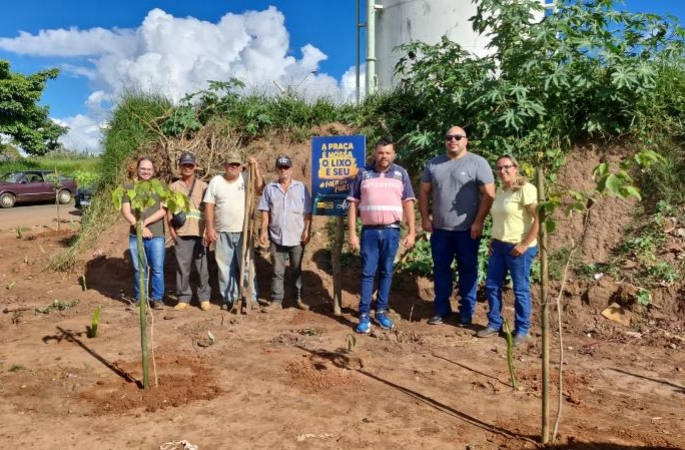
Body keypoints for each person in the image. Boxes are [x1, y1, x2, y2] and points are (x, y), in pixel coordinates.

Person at [419, 126, 495, 326]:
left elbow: (489, 194)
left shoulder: (478, 163)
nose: (453, 140)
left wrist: (478, 221)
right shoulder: (434, 164)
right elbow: (424, 191)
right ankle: (441, 310)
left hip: (467, 230)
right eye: (449, 137)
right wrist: (425, 218)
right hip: (440, 230)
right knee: (441, 269)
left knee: (468, 270)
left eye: (457, 137)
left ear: (466, 140)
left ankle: (466, 312)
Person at [348, 138, 416, 334]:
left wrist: (412, 232)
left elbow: (409, 203)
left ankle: (380, 312)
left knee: (386, 271)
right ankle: (363, 315)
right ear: (375, 154)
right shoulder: (363, 173)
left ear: (393, 155)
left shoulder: (400, 173)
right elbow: (353, 204)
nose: (383, 156)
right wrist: (352, 233)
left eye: (387, 153)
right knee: (368, 272)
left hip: (392, 231)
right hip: (369, 231)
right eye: (380, 152)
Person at [476, 155, 539, 346]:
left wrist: (525, 243)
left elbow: (539, 219)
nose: (502, 171)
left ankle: (521, 329)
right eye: (499, 168)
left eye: (506, 167)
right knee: (492, 286)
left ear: (516, 169)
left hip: (518, 248)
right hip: (499, 246)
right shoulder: (502, 191)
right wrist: (493, 239)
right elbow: (501, 219)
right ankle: (494, 323)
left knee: (520, 290)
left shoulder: (525, 190)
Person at [204, 153, 263, 310]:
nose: (234, 167)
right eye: (231, 165)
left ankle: (251, 297)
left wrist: (255, 167)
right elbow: (209, 205)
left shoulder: (246, 178)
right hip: (223, 232)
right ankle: (230, 298)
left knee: (247, 266)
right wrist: (210, 228)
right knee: (224, 268)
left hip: (244, 231)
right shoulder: (216, 181)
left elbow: (259, 189)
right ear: (225, 166)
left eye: (237, 165)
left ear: (241, 166)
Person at [258, 155, 312, 311]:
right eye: (280, 168)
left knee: (296, 270)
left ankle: (298, 298)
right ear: (276, 169)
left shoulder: (301, 188)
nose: (283, 170)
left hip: (296, 236)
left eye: (286, 167)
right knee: (277, 271)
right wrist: (263, 231)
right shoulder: (270, 188)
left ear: (291, 169)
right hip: (277, 237)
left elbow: (307, 212)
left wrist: (307, 230)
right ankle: (276, 301)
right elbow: (265, 212)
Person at [120, 157, 167, 310]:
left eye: (149, 169)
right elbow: (126, 211)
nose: (146, 172)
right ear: (138, 170)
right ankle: (141, 298)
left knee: (157, 268)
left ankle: (157, 298)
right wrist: (139, 227)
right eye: (143, 169)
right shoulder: (129, 187)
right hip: (136, 236)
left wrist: (144, 224)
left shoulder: (161, 187)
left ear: (153, 171)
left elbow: (163, 210)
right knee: (139, 268)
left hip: (157, 235)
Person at [168, 152, 211, 311]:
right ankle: (183, 298)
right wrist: (171, 230)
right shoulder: (174, 187)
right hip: (182, 233)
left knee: (203, 268)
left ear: (195, 167)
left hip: (200, 233)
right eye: (184, 165)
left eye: (190, 165)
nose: (187, 168)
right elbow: (169, 210)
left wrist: (208, 230)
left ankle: (204, 297)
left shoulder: (204, 186)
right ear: (180, 167)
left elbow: (209, 210)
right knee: (182, 268)